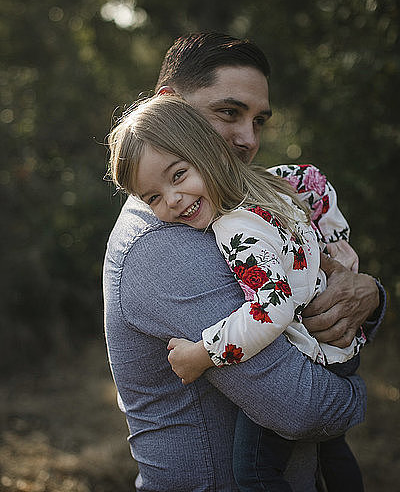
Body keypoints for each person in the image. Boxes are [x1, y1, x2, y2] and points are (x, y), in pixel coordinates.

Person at [103, 33, 385, 491]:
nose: (248, 139)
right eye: (229, 113)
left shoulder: (244, 203)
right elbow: (301, 408)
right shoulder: (167, 244)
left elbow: (313, 193)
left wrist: (368, 290)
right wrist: (358, 395)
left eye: (259, 121)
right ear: (170, 107)